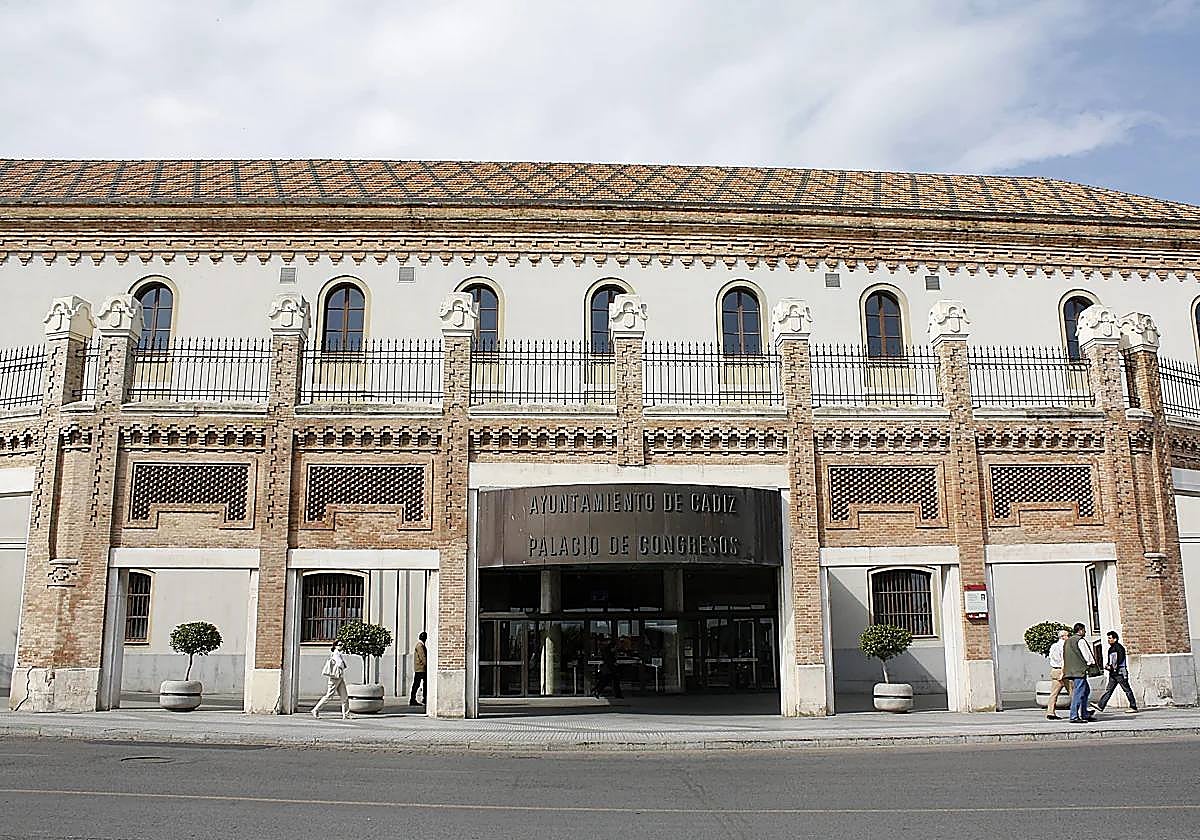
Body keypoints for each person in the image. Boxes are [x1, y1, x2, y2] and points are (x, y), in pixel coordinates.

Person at [1061, 622, 1098, 723]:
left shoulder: (1067, 641)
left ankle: (1084, 713)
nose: (1085, 632)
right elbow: (1087, 655)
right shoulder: (1080, 640)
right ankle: (1074, 715)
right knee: (1079, 692)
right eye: (1084, 630)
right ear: (1081, 630)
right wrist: (1091, 663)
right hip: (1079, 671)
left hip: (1071, 670)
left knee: (1085, 690)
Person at [1095, 630, 1139, 713]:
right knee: (1109, 690)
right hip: (1113, 673)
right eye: (1108, 638)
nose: (1109, 640)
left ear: (1115, 639)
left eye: (1110, 638)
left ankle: (1133, 706)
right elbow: (1112, 661)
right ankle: (1101, 705)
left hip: (1120, 672)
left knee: (1126, 689)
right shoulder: (1111, 649)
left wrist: (1111, 667)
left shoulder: (1118, 648)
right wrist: (1109, 666)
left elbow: (1119, 660)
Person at [312, 642, 350, 720]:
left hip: (339, 677)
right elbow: (340, 664)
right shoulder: (336, 653)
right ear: (335, 646)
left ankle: (346, 714)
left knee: (344, 696)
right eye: (339, 645)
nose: (341, 646)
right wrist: (343, 664)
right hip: (335, 678)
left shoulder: (337, 653)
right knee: (329, 695)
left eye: (342, 645)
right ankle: (316, 709)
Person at [1045, 627, 1071, 720]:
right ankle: (1079, 710)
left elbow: (1052, 658)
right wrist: (1063, 672)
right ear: (1063, 637)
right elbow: (1064, 660)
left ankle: (1050, 712)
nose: (1068, 637)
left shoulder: (1053, 646)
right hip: (1063, 670)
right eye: (1067, 635)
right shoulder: (1065, 646)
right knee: (1073, 692)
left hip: (1055, 670)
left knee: (1054, 693)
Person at [409, 631, 428, 706]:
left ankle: (423, 698)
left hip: (420, 668)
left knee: (420, 684)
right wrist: (427, 665)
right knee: (417, 684)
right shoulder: (420, 645)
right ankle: (413, 699)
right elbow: (423, 657)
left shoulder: (420, 645)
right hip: (421, 668)